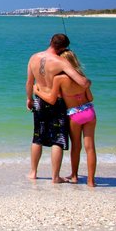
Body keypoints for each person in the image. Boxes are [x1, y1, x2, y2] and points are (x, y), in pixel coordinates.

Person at [25, 33, 91, 183]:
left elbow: (29, 82)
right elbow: (83, 82)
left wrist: (29, 98)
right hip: (57, 103)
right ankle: (55, 177)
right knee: (58, 139)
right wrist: (86, 80)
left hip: (39, 100)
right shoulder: (61, 62)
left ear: (50, 41)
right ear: (63, 48)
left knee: (37, 137)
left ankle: (33, 172)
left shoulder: (33, 57)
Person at [35, 49, 97, 186]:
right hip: (89, 111)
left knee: (76, 146)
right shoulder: (81, 76)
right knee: (90, 147)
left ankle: (74, 176)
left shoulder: (59, 79)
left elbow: (51, 100)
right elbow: (90, 97)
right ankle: (91, 181)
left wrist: (36, 91)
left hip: (74, 114)